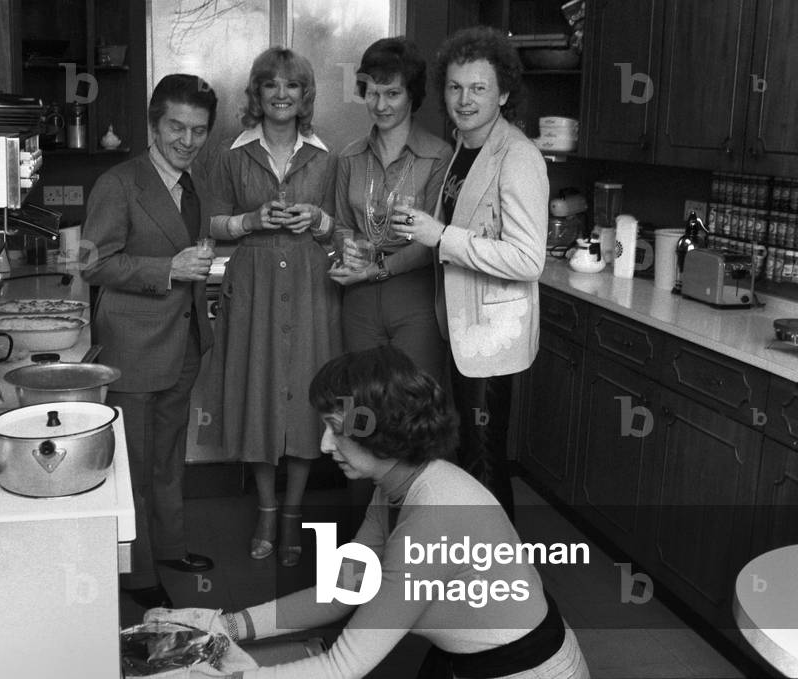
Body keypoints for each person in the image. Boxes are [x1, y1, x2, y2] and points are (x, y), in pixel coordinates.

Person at [146, 346, 590, 679]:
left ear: (387, 432)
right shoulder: (397, 485)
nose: (323, 445)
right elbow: (344, 591)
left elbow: (344, 666)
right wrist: (228, 626)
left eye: (336, 431)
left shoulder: (436, 514)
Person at [393, 26, 549, 520]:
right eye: (455, 87)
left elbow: (528, 259)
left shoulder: (518, 155)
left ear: (503, 92)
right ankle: (482, 572)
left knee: (484, 461)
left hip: (493, 340)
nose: (465, 99)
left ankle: (507, 582)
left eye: (479, 88)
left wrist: (441, 237)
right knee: (469, 457)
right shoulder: (464, 146)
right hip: (462, 329)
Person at [199, 47, 341, 568]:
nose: (281, 94)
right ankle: (265, 508)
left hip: (309, 281)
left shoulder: (328, 157)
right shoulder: (232, 156)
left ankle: (292, 514)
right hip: (254, 280)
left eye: (292, 85)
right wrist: (251, 220)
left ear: (305, 96)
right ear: (256, 94)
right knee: (258, 393)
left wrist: (319, 221)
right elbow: (211, 224)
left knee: (306, 394)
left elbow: (344, 230)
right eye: (270, 85)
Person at [81, 73, 219, 610]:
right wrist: (169, 268)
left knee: (167, 459)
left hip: (183, 341)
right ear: (153, 124)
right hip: (133, 348)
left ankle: (171, 547)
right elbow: (94, 264)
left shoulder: (193, 184)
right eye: (176, 128)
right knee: (133, 466)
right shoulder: (120, 183)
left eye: (199, 130)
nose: (187, 141)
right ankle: (137, 574)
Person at [329, 37, 451, 381]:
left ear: (412, 95)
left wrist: (375, 270)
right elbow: (341, 224)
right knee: (363, 402)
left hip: (415, 299)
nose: (380, 104)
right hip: (359, 302)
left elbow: (432, 242)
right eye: (371, 92)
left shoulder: (439, 156)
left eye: (392, 93)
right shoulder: (349, 156)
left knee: (414, 407)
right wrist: (347, 248)